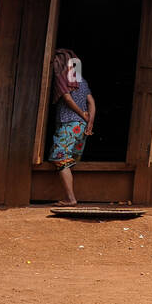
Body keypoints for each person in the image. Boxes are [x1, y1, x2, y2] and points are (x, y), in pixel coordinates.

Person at [49, 47, 95, 205]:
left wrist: (82, 115)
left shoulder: (62, 78)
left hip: (69, 124)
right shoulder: (81, 80)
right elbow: (91, 102)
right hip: (81, 127)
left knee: (60, 158)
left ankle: (70, 198)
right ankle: (69, 195)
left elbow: (67, 100)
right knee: (68, 160)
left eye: (55, 61)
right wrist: (89, 122)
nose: (53, 63)